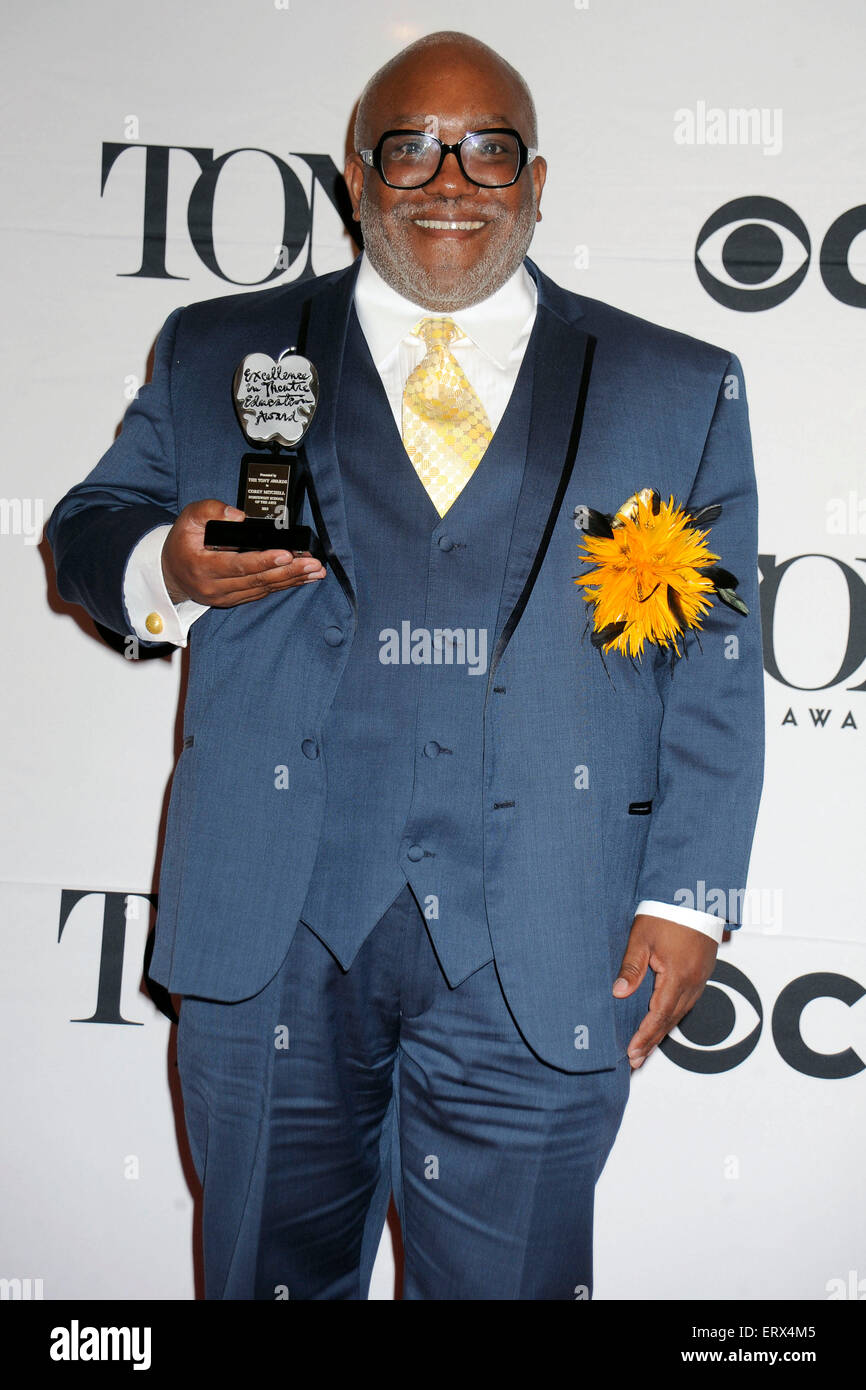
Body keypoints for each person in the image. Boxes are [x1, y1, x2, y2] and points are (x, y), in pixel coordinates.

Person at [46, 31, 765, 1300]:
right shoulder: (219, 346)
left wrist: (688, 900)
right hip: (270, 924)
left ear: (536, 181)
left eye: (487, 149)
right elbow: (88, 529)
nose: (449, 178)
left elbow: (712, 663)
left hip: (548, 939)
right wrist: (165, 564)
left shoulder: (675, 384)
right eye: (412, 147)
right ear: (353, 173)